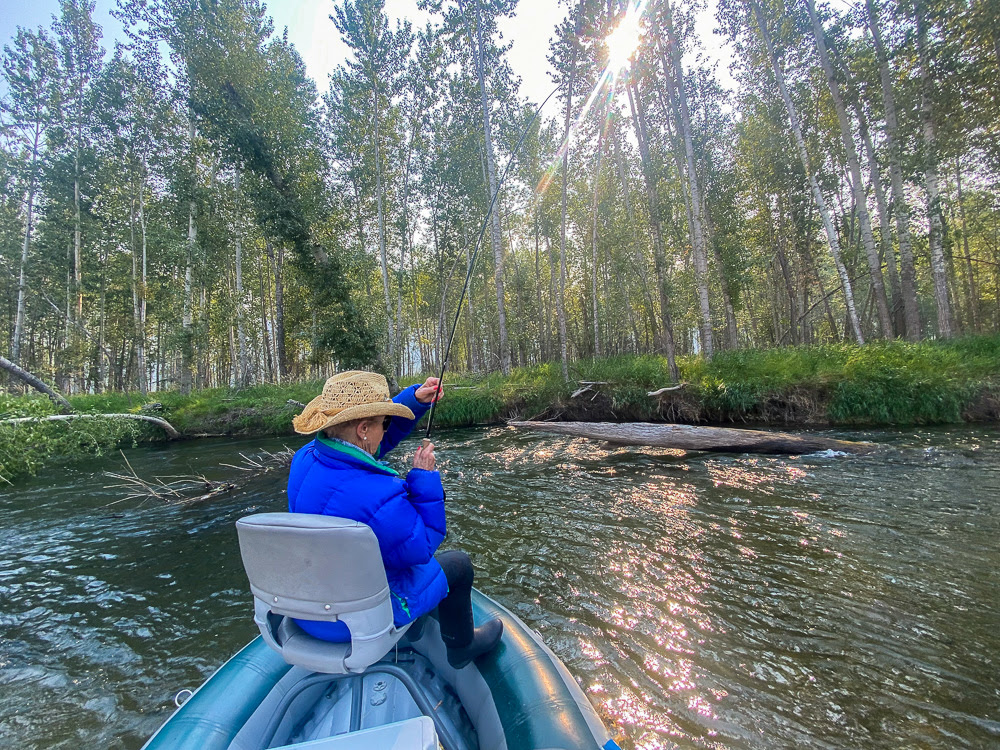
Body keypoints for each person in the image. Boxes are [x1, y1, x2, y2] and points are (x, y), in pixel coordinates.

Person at [287, 370, 502, 668]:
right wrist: (424, 477)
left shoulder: (306, 458)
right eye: (384, 422)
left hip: (310, 606)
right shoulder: (376, 493)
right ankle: (463, 647)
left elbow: (364, 451)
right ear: (363, 428)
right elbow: (423, 543)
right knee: (457, 565)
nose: (386, 431)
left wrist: (413, 402)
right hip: (352, 622)